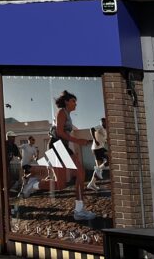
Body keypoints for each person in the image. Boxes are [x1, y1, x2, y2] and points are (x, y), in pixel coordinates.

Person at [53, 90, 96, 221]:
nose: (75, 104)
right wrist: (78, 141)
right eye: (73, 101)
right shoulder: (61, 112)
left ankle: (34, 184)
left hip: (62, 146)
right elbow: (59, 132)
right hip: (57, 145)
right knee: (81, 172)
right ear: (66, 101)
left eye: (76, 101)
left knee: (60, 185)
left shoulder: (68, 115)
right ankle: (79, 211)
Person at [87, 117, 109, 190]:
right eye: (101, 122)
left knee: (98, 171)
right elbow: (92, 129)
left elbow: (104, 139)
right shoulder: (100, 127)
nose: (102, 123)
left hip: (98, 149)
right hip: (97, 149)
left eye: (104, 122)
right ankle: (98, 168)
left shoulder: (106, 130)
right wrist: (95, 140)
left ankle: (91, 184)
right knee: (110, 159)